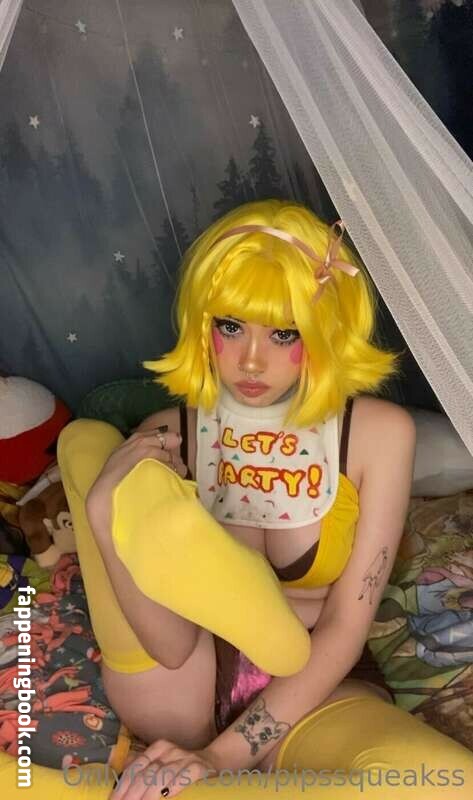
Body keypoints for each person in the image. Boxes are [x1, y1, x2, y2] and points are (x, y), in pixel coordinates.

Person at [57, 200, 473, 799]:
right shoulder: (167, 436)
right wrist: (103, 516)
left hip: (312, 684)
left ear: (326, 329)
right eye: (231, 326)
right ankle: (87, 467)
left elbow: (344, 626)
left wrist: (218, 757)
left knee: (447, 784)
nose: (252, 360)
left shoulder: (379, 435)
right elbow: (171, 645)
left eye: (284, 333)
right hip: (177, 683)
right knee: (109, 485)